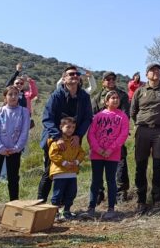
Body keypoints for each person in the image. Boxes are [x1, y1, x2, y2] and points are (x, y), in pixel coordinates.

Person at [130, 63, 160, 216]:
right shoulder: (140, 91)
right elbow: (133, 111)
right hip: (143, 130)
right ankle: (141, 200)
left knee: (159, 165)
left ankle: (158, 199)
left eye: (158, 70)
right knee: (141, 165)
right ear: (147, 74)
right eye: (152, 70)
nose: (156, 72)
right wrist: (141, 123)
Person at [38, 66, 93, 202]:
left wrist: (78, 135)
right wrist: (57, 137)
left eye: (77, 74)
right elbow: (47, 118)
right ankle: (40, 204)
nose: (74, 76)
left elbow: (87, 118)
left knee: (69, 172)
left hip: (74, 140)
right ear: (64, 79)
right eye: (71, 74)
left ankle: (62, 207)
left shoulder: (84, 96)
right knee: (49, 171)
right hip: (55, 139)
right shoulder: (56, 96)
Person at [86, 89, 130, 220]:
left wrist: (111, 149)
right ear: (106, 101)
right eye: (112, 98)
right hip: (97, 154)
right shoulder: (98, 116)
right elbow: (91, 134)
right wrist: (98, 149)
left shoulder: (122, 117)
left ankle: (111, 208)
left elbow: (123, 135)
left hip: (113, 154)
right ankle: (91, 207)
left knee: (111, 180)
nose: (115, 100)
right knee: (96, 180)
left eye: (117, 98)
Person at [0, 85, 31, 215]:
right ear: (5, 97)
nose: (13, 97)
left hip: (14, 150)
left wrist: (17, 147)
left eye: (16, 94)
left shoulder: (24, 112)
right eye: (10, 94)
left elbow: (24, 132)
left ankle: (15, 207)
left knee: (13, 179)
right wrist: (0, 148)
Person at [91, 71, 132, 203]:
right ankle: (99, 193)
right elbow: (93, 116)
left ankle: (121, 192)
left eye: (113, 79)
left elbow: (126, 114)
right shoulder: (97, 97)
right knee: (98, 167)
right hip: (100, 138)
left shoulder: (122, 95)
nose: (111, 81)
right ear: (103, 81)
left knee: (121, 162)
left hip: (117, 136)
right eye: (108, 79)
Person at [49, 116, 86, 221]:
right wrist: (64, 163)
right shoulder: (57, 141)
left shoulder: (74, 141)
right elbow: (53, 154)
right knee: (58, 194)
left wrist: (77, 162)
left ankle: (66, 211)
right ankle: (55, 213)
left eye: (73, 127)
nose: (71, 129)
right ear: (61, 127)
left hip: (72, 173)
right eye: (68, 127)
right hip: (59, 172)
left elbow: (81, 153)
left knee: (71, 193)